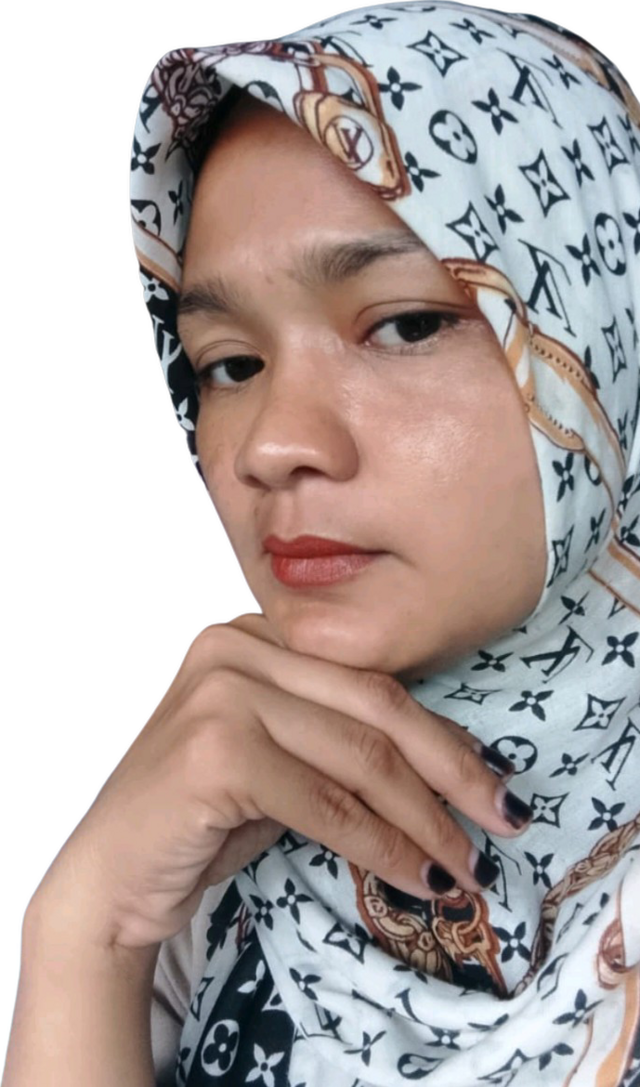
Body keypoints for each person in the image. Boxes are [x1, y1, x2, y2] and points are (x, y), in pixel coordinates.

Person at [5, 4, 638, 1086]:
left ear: (609, 334)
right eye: (230, 364)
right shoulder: (205, 866)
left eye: (405, 323)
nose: (270, 446)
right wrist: (83, 940)